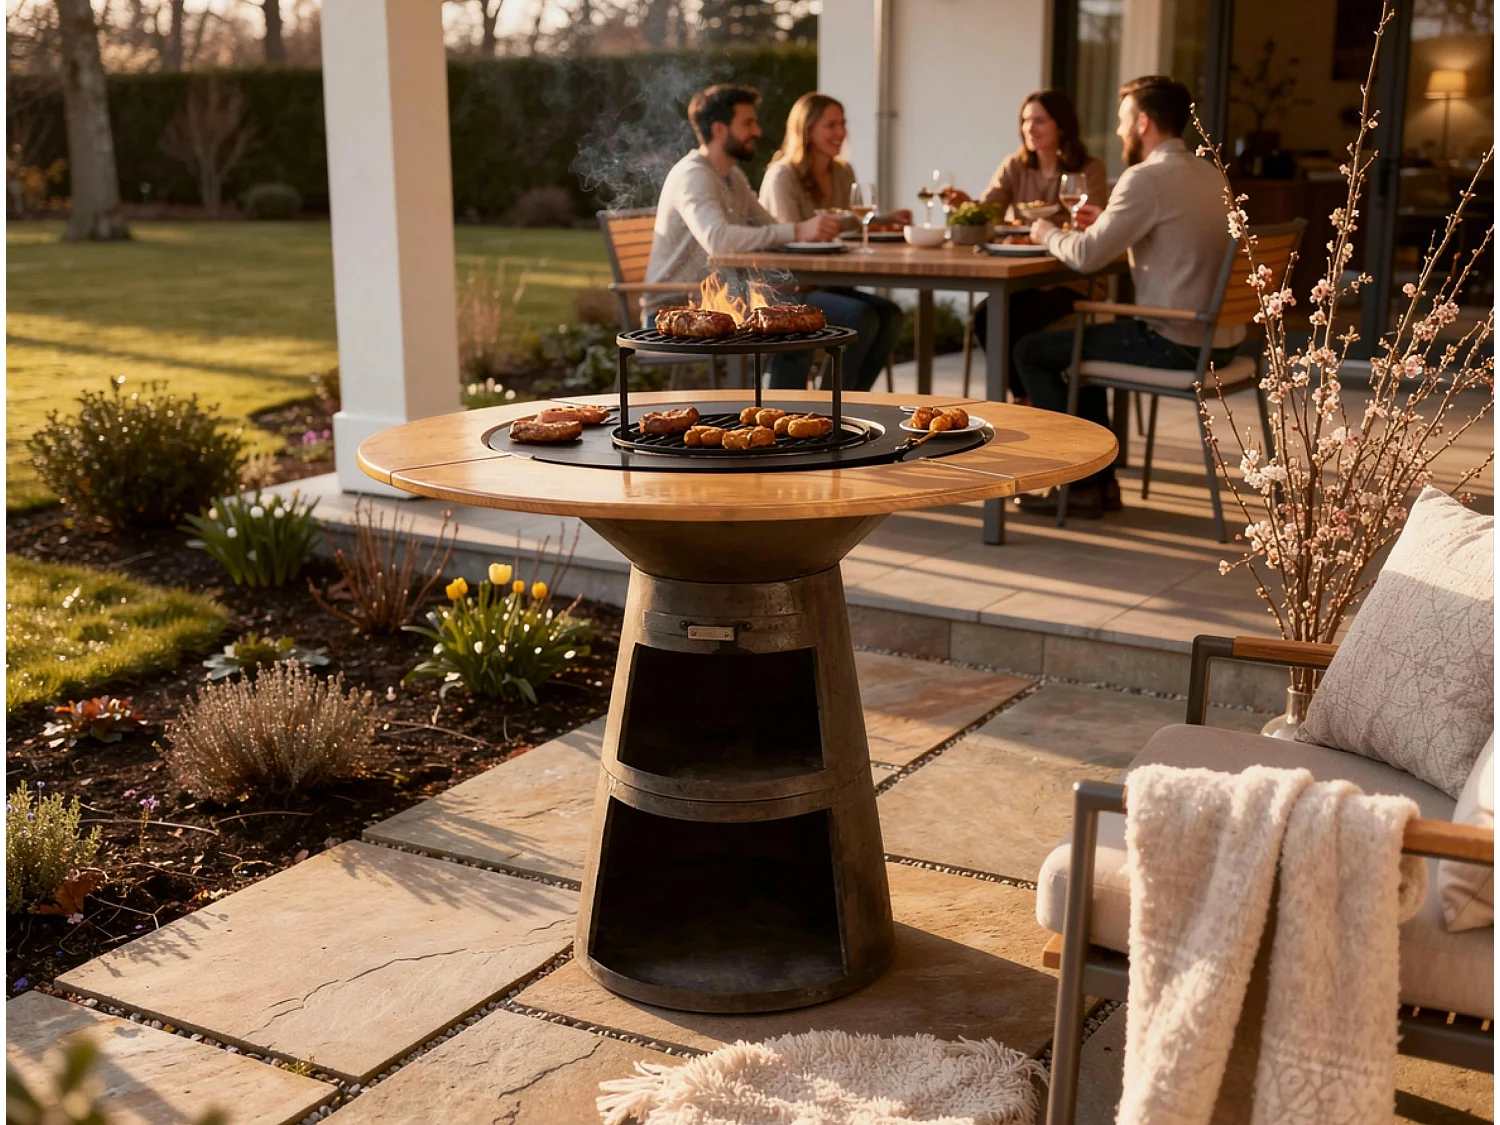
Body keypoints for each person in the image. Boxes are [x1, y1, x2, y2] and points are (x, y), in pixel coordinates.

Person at [1013, 75, 1245, 519]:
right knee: (1085, 350)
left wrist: (1045, 232)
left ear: (1142, 123)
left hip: (1177, 341)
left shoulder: (1146, 177)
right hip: (1223, 339)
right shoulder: (1209, 172)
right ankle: (1098, 488)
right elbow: (1170, 232)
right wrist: (1108, 220)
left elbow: (1083, 256)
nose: (1119, 130)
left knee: (1032, 352)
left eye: (1122, 121)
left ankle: (1076, 485)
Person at [949, 90, 1108, 402]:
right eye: (1025, 121)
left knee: (1017, 322)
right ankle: (1024, 398)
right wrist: (967, 205)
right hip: (1025, 278)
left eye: (1039, 121)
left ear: (1061, 125)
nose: (1029, 128)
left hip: (1071, 278)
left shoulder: (1089, 169)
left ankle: (1036, 399)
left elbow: (1094, 225)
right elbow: (989, 212)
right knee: (986, 315)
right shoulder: (1015, 166)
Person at [641, 84, 839, 325]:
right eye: (747, 123)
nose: (757, 131)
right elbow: (719, 241)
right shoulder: (693, 175)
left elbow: (770, 228)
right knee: (829, 317)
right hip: (678, 312)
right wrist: (798, 231)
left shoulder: (734, 176)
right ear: (719, 130)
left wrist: (798, 234)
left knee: (813, 315)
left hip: (723, 302)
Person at [758, 92, 906, 391]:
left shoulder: (841, 171)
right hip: (787, 291)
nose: (841, 132)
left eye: (843, 124)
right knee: (862, 316)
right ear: (807, 128)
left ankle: (849, 400)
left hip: (829, 284)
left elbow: (850, 220)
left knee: (891, 315)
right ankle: (828, 403)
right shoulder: (782, 177)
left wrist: (886, 219)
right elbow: (786, 242)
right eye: (831, 125)